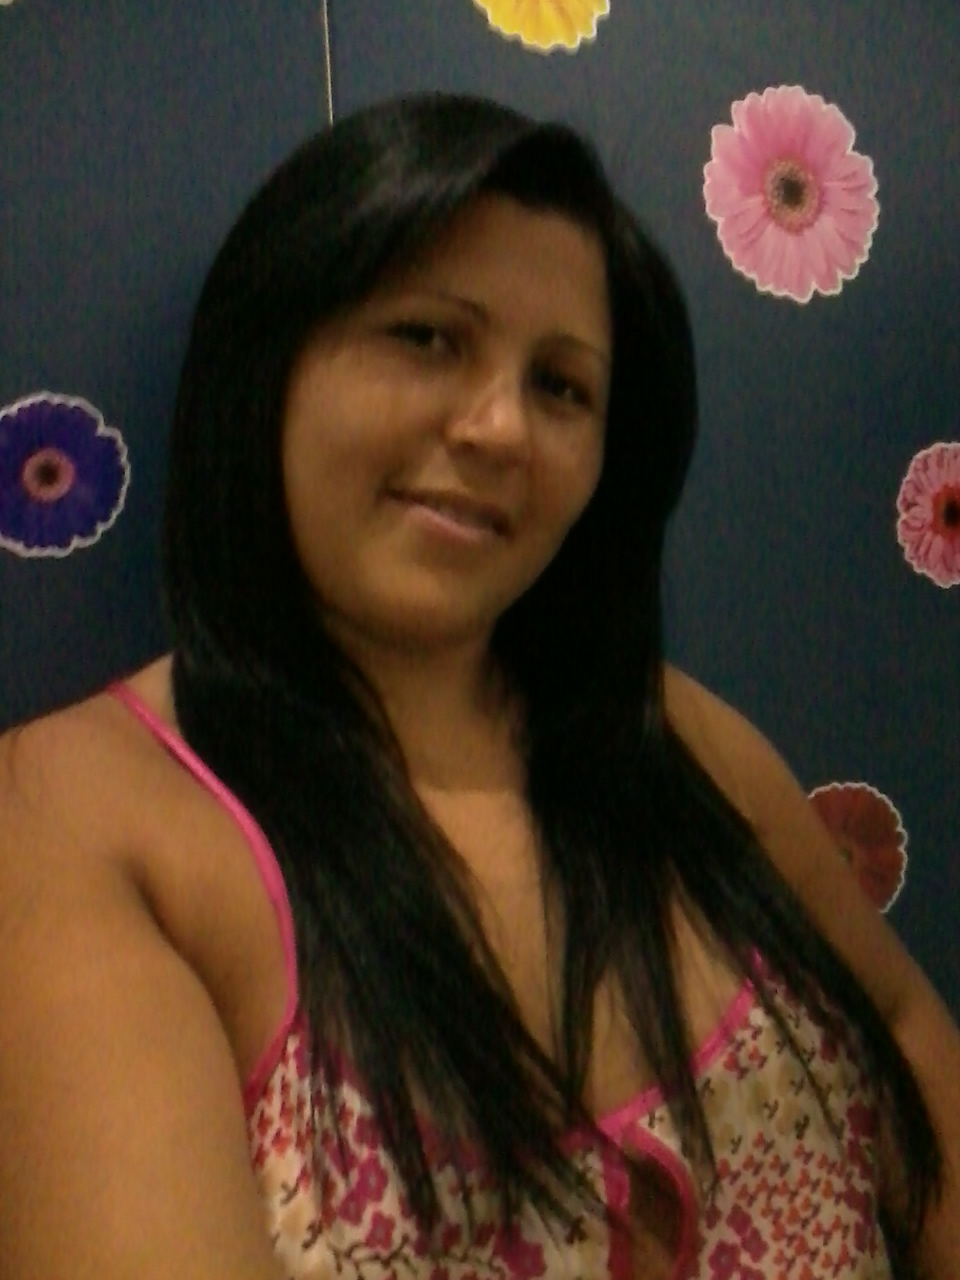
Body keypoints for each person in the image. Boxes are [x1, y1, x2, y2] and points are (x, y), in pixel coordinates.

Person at [0, 92, 957, 1280]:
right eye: (427, 337)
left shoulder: (676, 738)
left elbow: (903, 1033)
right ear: (268, 360)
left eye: (562, 386)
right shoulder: (78, 819)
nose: (502, 427)